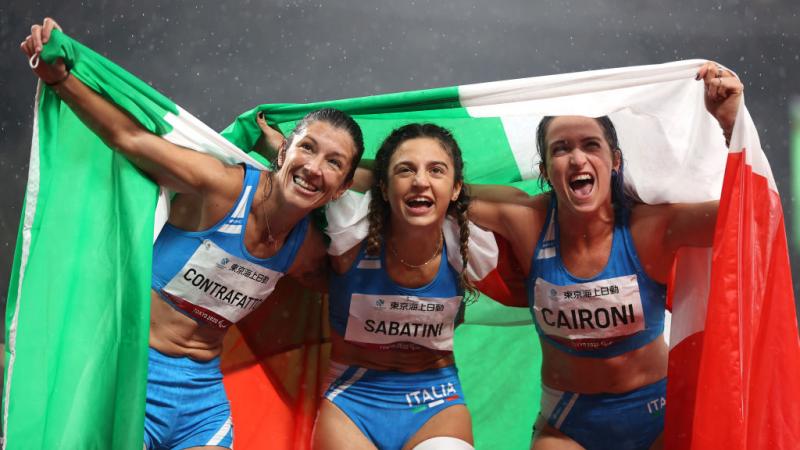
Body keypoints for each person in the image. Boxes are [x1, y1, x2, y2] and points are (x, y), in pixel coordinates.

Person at [21, 18, 364, 450]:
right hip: (136, 375)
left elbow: (361, 291)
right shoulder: (220, 188)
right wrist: (61, 79)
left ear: (345, 186)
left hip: (202, 396)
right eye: (307, 148)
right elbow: (129, 138)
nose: (314, 168)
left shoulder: (308, 251)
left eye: (334, 163)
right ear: (284, 151)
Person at [467, 62, 743, 450]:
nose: (577, 159)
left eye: (590, 145)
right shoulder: (527, 222)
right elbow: (429, 191)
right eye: (561, 149)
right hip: (567, 423)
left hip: (659, 415)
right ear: (545, 170)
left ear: (614, 161)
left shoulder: (651, 228)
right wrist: (352, 162)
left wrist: (730, 122)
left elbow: (750, 213)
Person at [312, 124, 477, 450]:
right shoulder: (348, 237)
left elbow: (520, 203)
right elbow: (315, 176)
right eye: (405, 170)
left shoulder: (470, 242)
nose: (420, 181)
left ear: (457, 188)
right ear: (383, 190)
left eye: (436, 170)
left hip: (434, 401)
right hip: (353, 401)